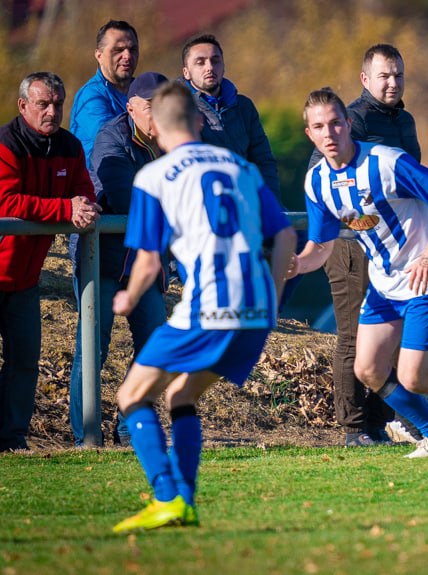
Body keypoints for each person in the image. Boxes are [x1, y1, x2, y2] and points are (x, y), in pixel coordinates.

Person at [111, 82, 296, 533]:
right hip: (254, 309)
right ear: (197, 121)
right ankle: (186, 502)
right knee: (181, 394)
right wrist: (270, 298)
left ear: (154, 127)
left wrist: (130, 297)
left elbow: (149, 259)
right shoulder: (241, 167)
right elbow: (286, 236)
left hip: (209, 306)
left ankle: (165, 496)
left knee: (131, 396)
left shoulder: (154, 177)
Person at [290, 88, 428, 459]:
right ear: (310, 135)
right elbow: (321, 245)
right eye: (319, 127)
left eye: (336, 123)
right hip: (384, 286)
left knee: (414, 377)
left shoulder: (387, 163)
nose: (329, 133)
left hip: (426, 280)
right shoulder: (316, 181)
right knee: (367, 368)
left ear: (349, 124)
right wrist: (297, 263)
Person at [307, 44, 420, 447]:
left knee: (387, 336)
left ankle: (380, 423)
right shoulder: (350, 118)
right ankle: (354, 427)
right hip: (350, 243)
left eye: (399, 75)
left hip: (392, 246)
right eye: (384, 75)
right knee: (354, 335)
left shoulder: (404, 119)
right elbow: (319, 171)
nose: (392, 82)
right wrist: (355, 219)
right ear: (365, 80)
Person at [68, 72, 170, 447]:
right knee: (94, 346)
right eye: (149, 106)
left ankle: (128, 425)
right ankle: (86, 436)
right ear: (130, 107)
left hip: (146, 259)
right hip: (104, 258)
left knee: (157, 343)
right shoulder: (110, 139)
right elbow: (130, 201)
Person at [0, 72, 101, 452]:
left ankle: (13, 441)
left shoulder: (71, 146)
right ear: (23, 106)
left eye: (58, 103)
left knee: (24, 363)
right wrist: (65, 209)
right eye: (44, 104)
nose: (52, 111)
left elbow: (83, 192)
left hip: (26, 279)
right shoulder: (5, 144)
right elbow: (7, 204)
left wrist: (86, 207)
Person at [181, 34, 279, 196]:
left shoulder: (244, 106)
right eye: (200, 62)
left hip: (247, 202)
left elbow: (263, 160)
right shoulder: (180, 109)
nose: (209, 67)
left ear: (224, 66)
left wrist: (269, 203)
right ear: (186, 72)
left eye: (215, 60)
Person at [70, 20, 139, 167]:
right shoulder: (90, 97)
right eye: (118, 50)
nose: (127, 55)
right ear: (99, 55)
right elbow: (113, 142)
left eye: (132, 49)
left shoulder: (142, 92)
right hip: (103, 186)